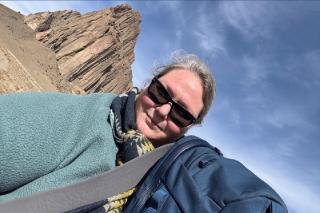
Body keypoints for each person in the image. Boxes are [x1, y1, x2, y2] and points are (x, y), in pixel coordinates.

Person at [0, 52, 215, 203]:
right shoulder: (83, 116)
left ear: (189, 126)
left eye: (181, 113)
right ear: (149, 84)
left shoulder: (166, 187)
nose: (162, 111)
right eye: (160, 92)